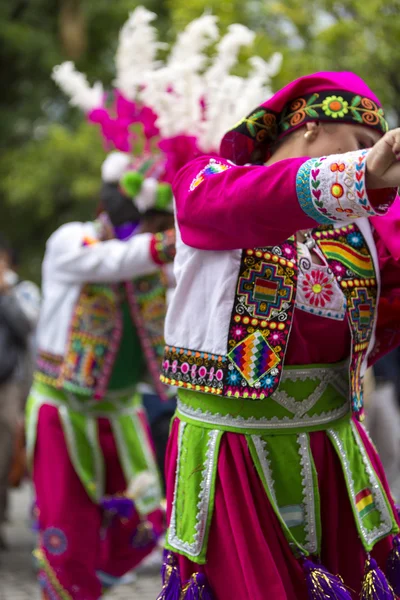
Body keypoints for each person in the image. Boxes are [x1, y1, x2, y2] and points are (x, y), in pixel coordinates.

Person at [158, 72, 400, 599]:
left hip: (335, 451)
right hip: (234, 455)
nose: (370, 158)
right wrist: (362, 172)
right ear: (310, 126)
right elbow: (229, 205)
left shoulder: (360, 225)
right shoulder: (210, 180)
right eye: (360, 143)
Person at [26, 152, 175, 600]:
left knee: (149, 524)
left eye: (155, 223)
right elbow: (113, 261)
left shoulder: (149, 261)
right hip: (64, 414)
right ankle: (73, 589)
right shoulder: (72, 242)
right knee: (68, 535)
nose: (148, 232)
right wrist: (168, 242)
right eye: (141, 222)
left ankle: (86, 587)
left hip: (123, 413)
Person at [0, 236, 40, 550]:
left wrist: (6, 294)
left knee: (4, 449)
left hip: (8, 383)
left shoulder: (22, 291)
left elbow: (27, 328)